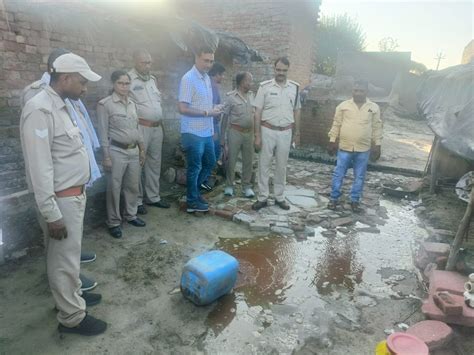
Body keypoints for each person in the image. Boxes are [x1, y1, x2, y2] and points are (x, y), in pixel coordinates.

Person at [20, 52, 107, 335]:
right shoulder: (39, 109)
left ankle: (72, 296)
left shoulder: (62, 104)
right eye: (81, 82)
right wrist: (51, 213)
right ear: (66, 78)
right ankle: (71, 317)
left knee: (68, 256)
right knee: (63, 259)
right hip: (60, 200)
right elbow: (39, 168)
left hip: (72, 195)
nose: (85, 88)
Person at [97, 70, 146, 238]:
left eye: (127, 83)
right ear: (113, 84)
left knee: (132, 185)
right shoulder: (106, 104)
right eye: (121, 83)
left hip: (133, 150)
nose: (125, 87)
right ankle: (114, 221)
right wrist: (106, 156)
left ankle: (131, 215)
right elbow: (103, 133)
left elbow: (137, 128)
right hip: (116, 151)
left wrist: (142, 148)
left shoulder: (132, 104)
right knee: (114, 188)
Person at [178, 46, 223, 213]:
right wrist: (207, 112)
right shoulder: (188, 79)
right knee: (195, 167)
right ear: (196, 57)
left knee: (210, 162)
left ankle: (194, 192)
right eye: (206, 60)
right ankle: (191, 201)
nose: (209, 64)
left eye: (211, 61)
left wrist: (215, 109)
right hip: (192, 132)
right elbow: (182, 108)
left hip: (206, 131)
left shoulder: (206, 78)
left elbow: (204, 105)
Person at [252, 57, 301, 211]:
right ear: (274, 69)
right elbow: (257, 112)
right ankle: (263, 197)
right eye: (278, 70)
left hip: (285, 131)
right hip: (267, 130)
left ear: (288, 70)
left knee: (281, 166)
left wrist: (297, 132)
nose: (281, 73)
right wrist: (257, 135)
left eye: (284, 70)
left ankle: (279, 197)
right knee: (264, 165)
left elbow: (297, 110)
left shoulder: (295, 88)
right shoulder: (265, 87)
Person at [327, 79, 383, 213]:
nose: (358, 93)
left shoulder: (373, 107)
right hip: (344, 147)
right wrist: (332, 140)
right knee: (338, 174)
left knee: (359, 176)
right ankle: (333, 198)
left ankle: (355, 201)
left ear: (366, 91)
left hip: (363, 149)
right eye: (355, 90)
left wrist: (378, 145)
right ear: (352, 90)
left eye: (361, 91)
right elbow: (336, 124)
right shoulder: (343, 106)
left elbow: (377, 127)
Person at [128, 49, 170, 215]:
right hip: (141, 128)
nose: (147, 65)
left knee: (154, 163)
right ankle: (137, 201)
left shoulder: (152, 80)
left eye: (149, 62)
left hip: (156, 128)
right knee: (139, 163)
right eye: (143, 62)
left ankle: (153, 197)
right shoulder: (128, 79)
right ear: (135, 62)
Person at [221, 72, 255, 198]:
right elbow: (225, 118)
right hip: (235, 132)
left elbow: (256, 115)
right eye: (249, 80)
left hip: (249, 133)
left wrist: (257, 135)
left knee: (248, 161)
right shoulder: (231, 97)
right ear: (241, 82)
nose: (251, 83)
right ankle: (229, 185)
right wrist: (222, 138)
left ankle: (246, 186)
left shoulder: (252, 96)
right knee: (232, 159)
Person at [201, 62, 226, 191]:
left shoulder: (212, 85)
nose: (223, 78)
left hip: (212, 123)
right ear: (216, 74)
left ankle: (203, 179)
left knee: (213, 153)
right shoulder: (210, 85)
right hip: (211, 125)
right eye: (221, 75)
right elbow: (209, 106)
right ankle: (202, 180)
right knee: (214, 153)